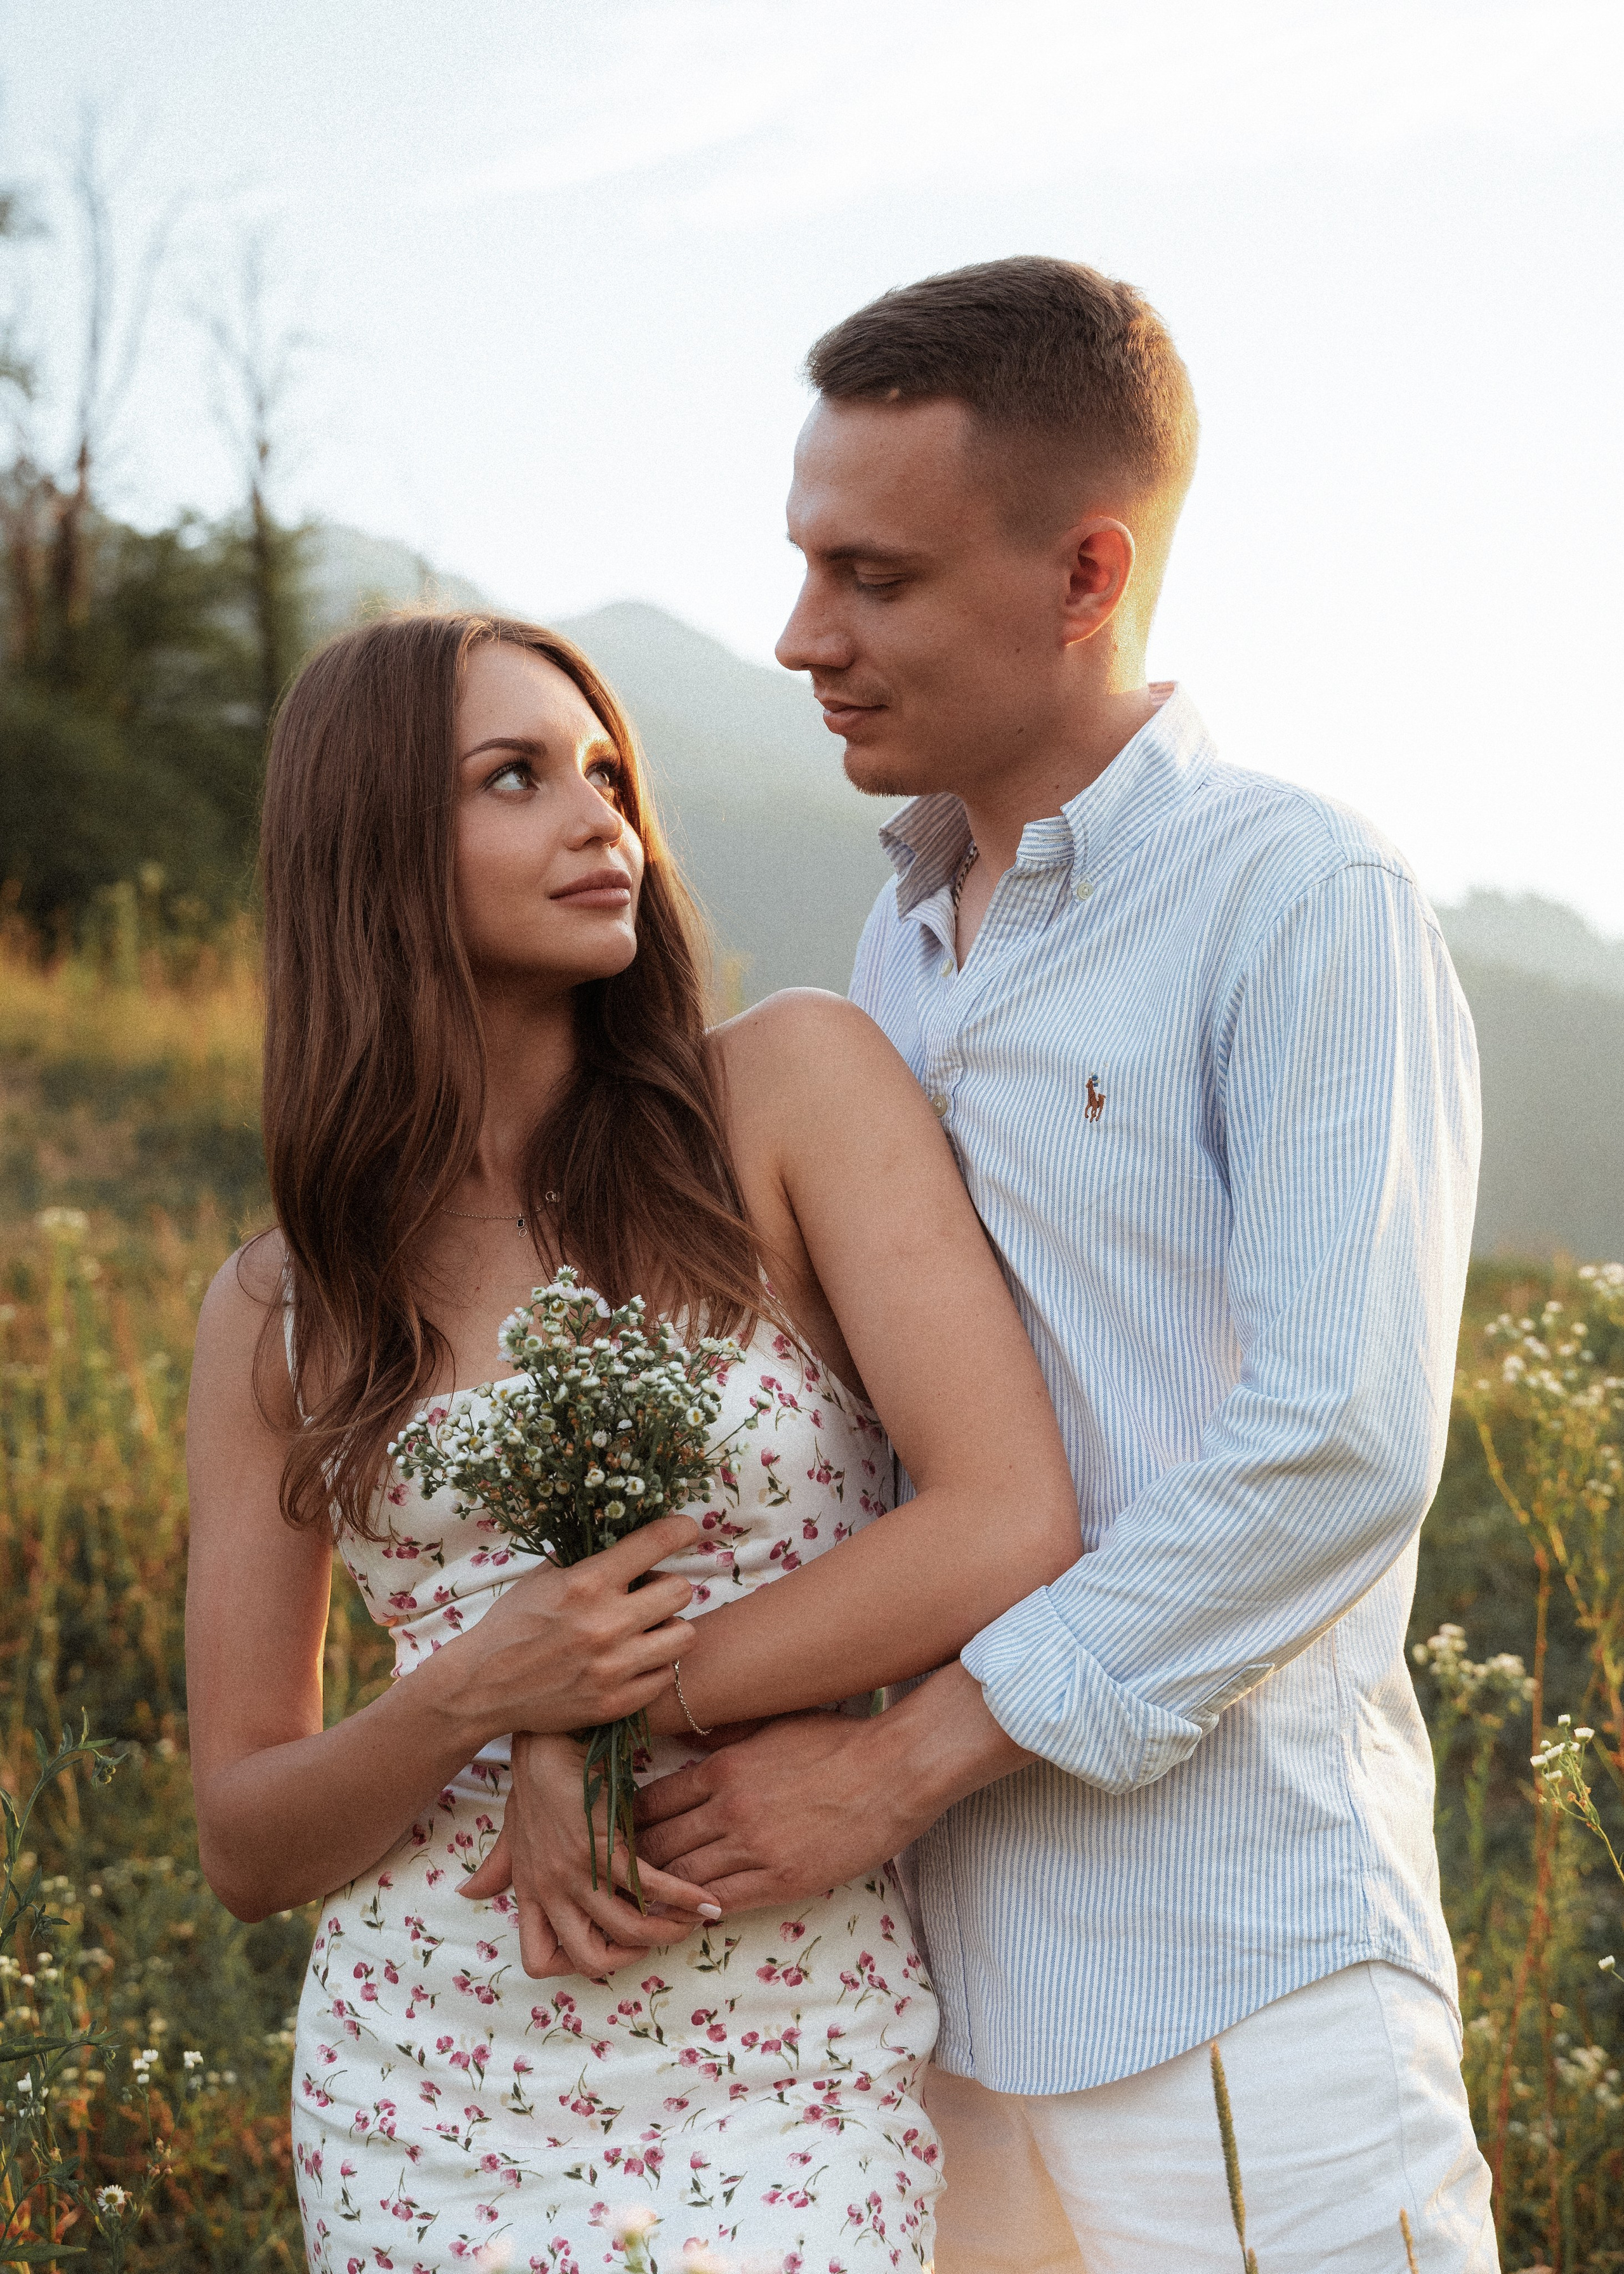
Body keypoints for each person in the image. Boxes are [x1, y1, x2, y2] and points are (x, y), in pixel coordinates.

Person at [601, 259, 1496, 2271]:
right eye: (807, 566)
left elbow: (1338, 1446)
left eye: (877, 579)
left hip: (1240, 1977)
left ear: (1087, 575)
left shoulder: (1302, 898)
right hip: (934, 2008)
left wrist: (900, 1767)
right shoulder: (894, 954)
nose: (801, 637)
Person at [183, 610, 1084, 2271]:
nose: (600, 817)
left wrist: (588, 1714)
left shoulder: (789, 1091)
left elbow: (1006, 1518)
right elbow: (247, 1837)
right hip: (426, 2095)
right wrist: (472, 1697)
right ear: (368, 850)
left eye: (607, 773)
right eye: (513, 779)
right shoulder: (278, 1308)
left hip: (778, 2044)